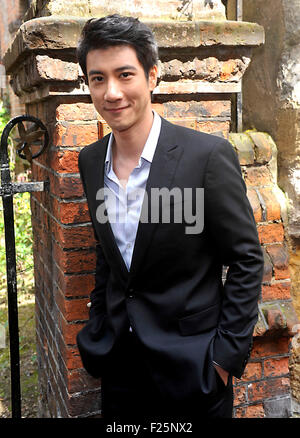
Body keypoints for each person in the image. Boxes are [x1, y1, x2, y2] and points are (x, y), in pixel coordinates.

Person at [76, 14, 264, 418]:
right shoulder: (91, 161)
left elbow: (247, 259)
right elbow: (110, 256)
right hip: (119, 370)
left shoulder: (206, 158)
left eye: (125, 74)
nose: (111, 92)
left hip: (193, 370)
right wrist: (98, 324)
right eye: (97, 78)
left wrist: (224, 359)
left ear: (153, 75)